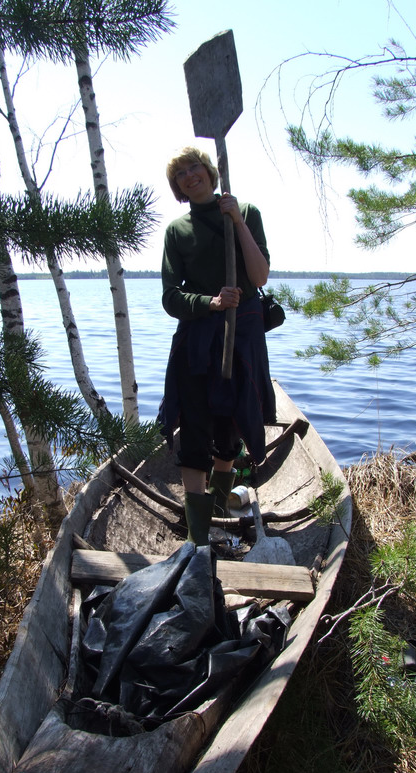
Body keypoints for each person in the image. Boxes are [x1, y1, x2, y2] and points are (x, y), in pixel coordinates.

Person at [159, 146, 276, 545]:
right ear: (177, 187)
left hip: (242, 333)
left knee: (230, 423)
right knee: (194, 427)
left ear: (210, 172)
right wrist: (210, 302)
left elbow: (259, 277)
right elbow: (170, 297)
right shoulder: (177, 231)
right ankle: (197, 538)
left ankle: (221, 509)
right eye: (180, 174)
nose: (190, 176)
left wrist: (236, 220)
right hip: (197, 339)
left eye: (195, 167)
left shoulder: (247, 213)